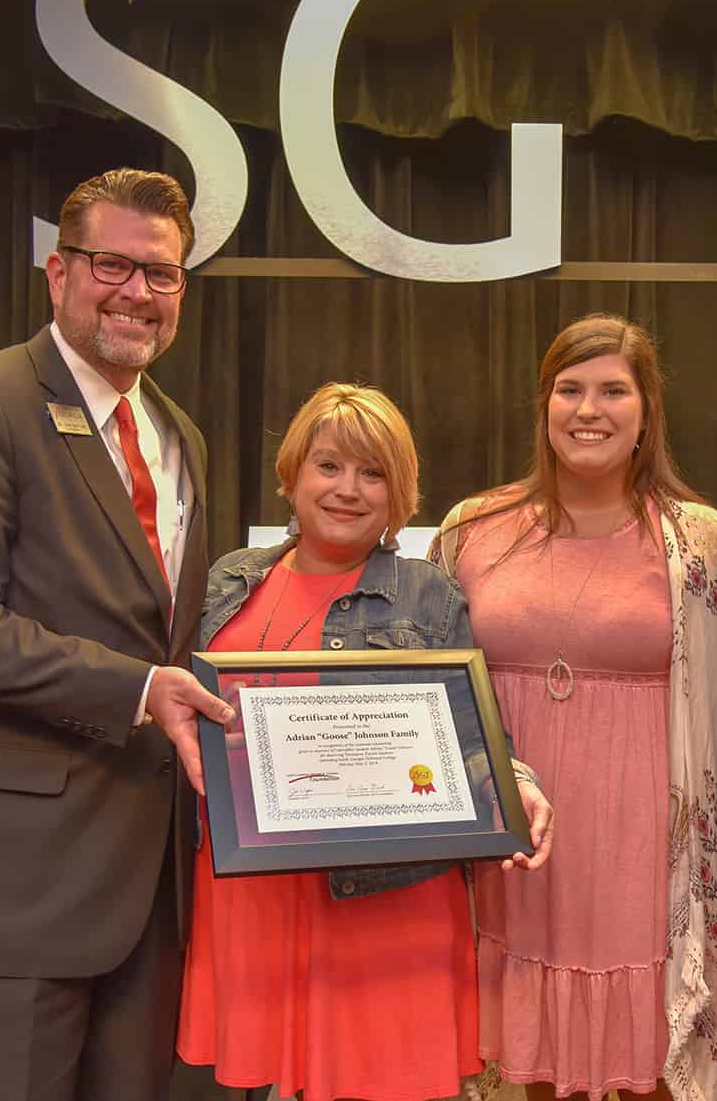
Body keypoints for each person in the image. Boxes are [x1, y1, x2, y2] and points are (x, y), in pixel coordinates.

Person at [0, 167, 234, 1101]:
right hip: (8, 889)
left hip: (147, 890)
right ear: (58, 273)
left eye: (161, 273)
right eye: (112, 264)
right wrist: (136, 690)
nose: (138, 292)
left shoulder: (179, 435)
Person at [176, 381, 553, 1101]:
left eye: (372, 471)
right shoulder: (230, 576)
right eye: (329, 465)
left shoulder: (427, 594)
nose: (348, 488)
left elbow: (474, 735)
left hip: (380, 906)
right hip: (252, 893)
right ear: (292, 474)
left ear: (398, 490)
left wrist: (513, 784)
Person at [432, 315, 717, 1101]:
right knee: (529, 1071)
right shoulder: (470, 530)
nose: (590, 408)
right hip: (511, 856)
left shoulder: (703, 543)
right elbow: (435, 690)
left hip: (650, 866)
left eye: (614, 389)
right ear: (542, 405)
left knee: (651, 1072)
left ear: (647, 409)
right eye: (569, 388)